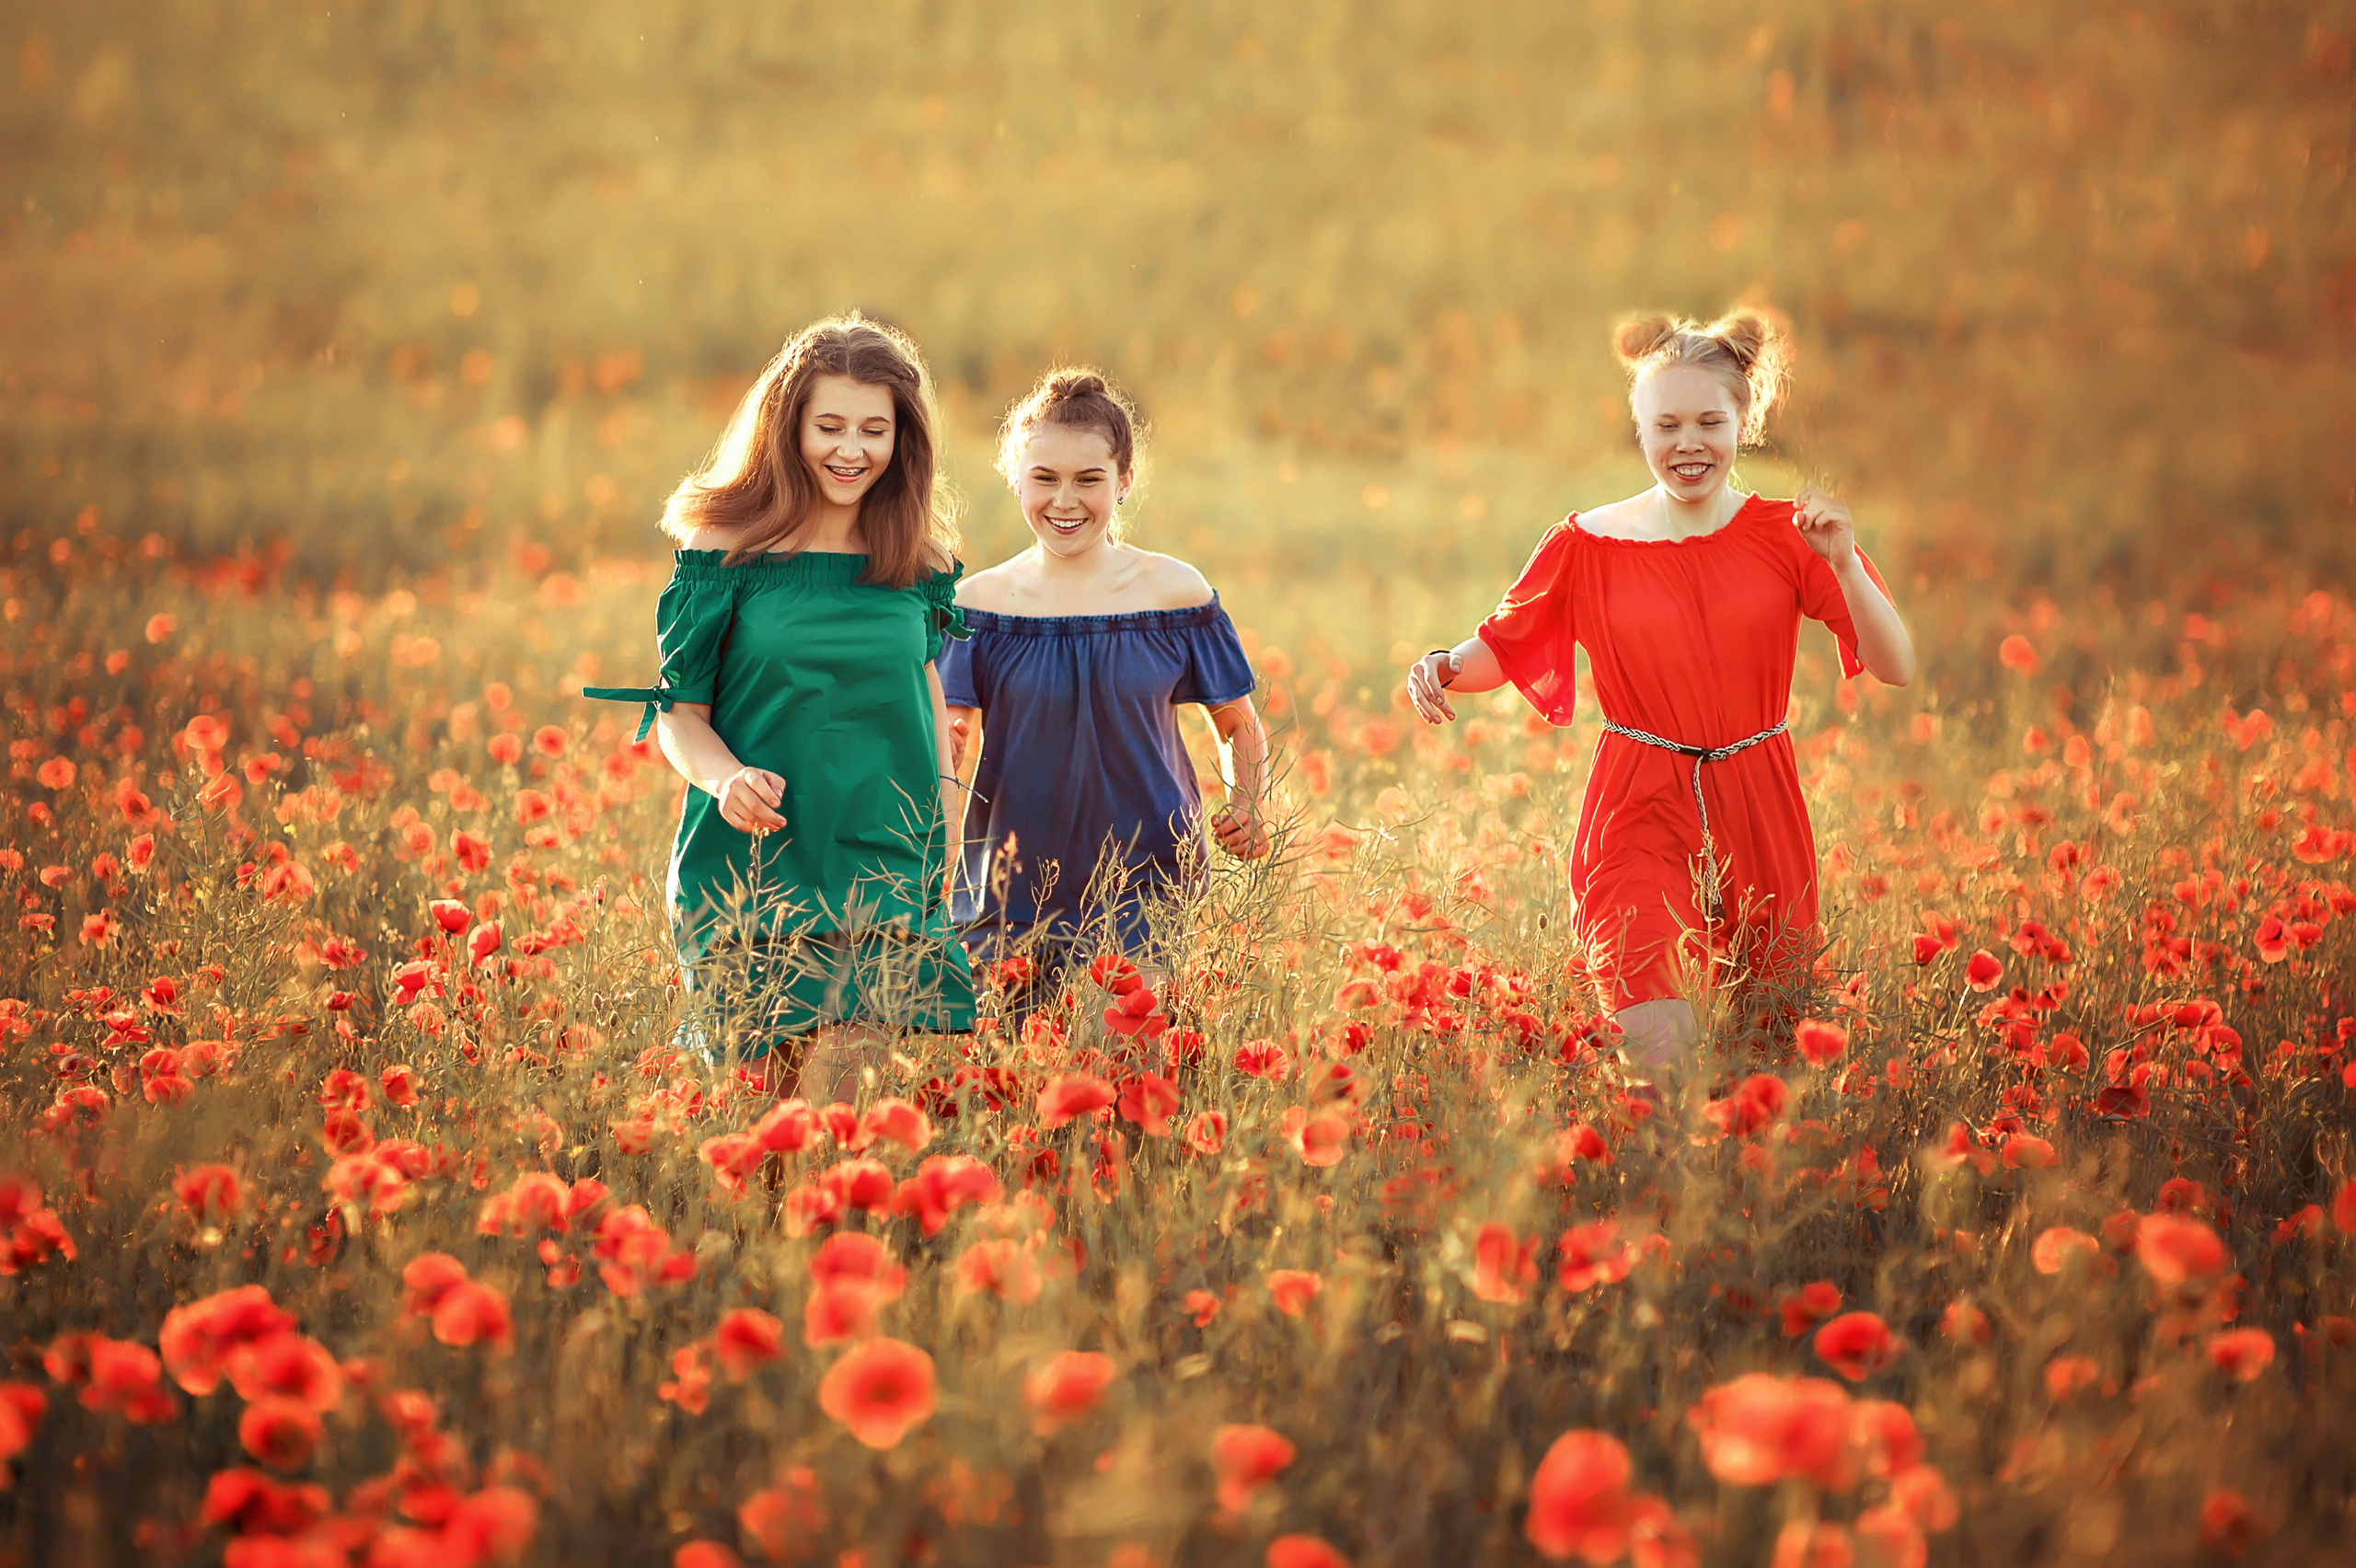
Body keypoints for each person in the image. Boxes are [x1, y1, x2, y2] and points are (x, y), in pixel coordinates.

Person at [1404, 308, 1915, 1075]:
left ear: (1746, 421)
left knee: (1764, 1060)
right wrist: (1444, 663)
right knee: (1659, 1055)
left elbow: (1896, 663)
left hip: (1759, 803)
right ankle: (1656, 1177)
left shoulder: (1792, 537)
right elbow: (1503, 646)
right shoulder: (1587, 543)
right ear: (1638, 429)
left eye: (1710, 421)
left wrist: (1845, 565)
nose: (1688, 443)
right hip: (1637, 801)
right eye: (1665, 424)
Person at [584, 314, 974, 1102]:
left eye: (874, 430)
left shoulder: (918, 557)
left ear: (903, 440)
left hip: (884, 865)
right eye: (828, 426)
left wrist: (948, 824)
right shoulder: (723, 545)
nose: (851, 450)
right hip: (752, 872)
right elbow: (678, 713)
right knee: (761, 1141)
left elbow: (925, 686)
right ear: (787, 426)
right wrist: (726, 780)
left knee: (835, 1127)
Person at [941, 368, 1270, 1021]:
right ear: (1016, 478)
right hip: (1006, 888)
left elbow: (1238, 724)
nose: (1066, 500)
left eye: (1089, 479)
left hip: (1143, 880)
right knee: (1020, 1093)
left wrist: (1249, 805)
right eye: (1045, 479)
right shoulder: (976, 604)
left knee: (1120, 1061)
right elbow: (946, 740)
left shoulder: (1175, 594)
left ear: (1124, 481)